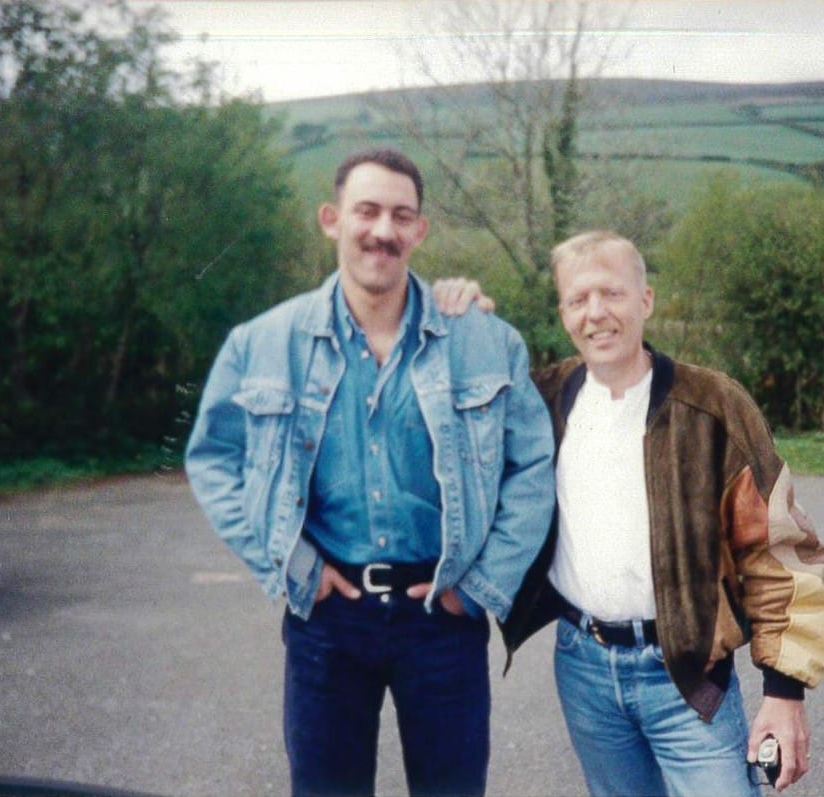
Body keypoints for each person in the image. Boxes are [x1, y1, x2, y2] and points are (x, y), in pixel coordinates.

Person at [184, 148, 555, 797]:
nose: (382, 230)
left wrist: (482, 585)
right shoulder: (263, 341)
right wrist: (289, 563)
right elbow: (213, 458)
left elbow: (532, 469)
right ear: (332, 219)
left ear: (420, 230)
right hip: (327, 621)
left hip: (444, 615)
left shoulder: (486, 341)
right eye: (367, 210)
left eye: (400, 214)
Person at [456, 230, 824, 796]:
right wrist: (466, 325)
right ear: (562, 313)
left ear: (646, 301)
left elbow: (779, 550)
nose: (596, 314)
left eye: (611, 293)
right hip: (583, 668)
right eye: (577, 300)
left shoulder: (714, 407)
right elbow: (458, 424)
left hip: (687, 675)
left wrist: (784, 694)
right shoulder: (544, 401)